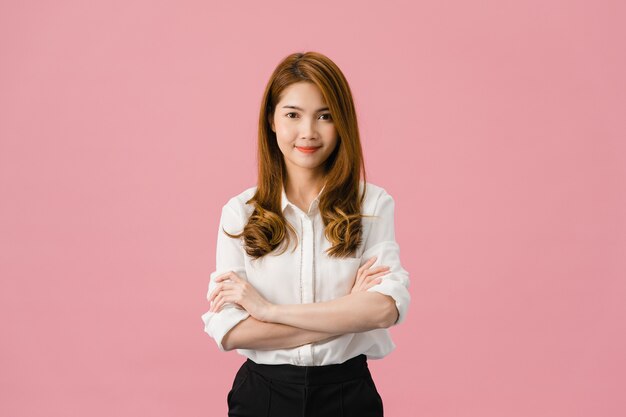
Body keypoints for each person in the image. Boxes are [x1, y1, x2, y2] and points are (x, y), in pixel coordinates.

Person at [201, 51, 411, 417]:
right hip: (262, 396)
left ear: (342, 122)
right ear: (272, 120)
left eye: (325, 116)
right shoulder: (240, 212)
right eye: (293, 115)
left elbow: (383, 309)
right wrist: (345, 316)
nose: (308, 132)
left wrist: (268, 311)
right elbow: (230, 330)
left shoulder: (373, 204)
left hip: (347, 395)